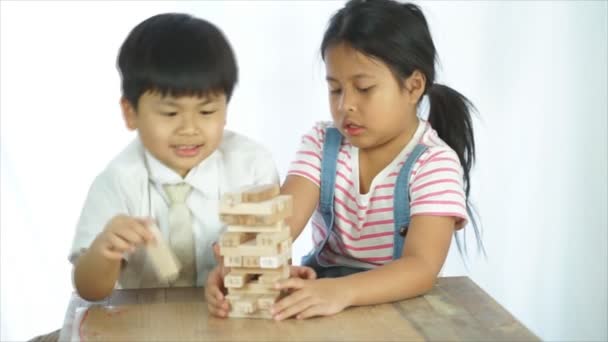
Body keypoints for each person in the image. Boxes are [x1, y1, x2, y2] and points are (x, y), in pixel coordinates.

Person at [206, 0, 482, 320]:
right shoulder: (322, 143)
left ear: (413, 86)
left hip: (397, 308)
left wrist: (342, 290)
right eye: (335, 89)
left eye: (363, 88)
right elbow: (282, 224)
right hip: (321, 294)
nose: (346, 104)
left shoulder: (434, 164)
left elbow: (420, 268)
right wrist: (242, 263)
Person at [68, 12, 280, 302]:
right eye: (170, 113)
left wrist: (245, 260)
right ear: (131, 113)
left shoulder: (252, 166)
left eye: (206, 112)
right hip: (143, 321)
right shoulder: (118, 180)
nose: (189, 129)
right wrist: (105, 250)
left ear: (226, 110)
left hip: (229, 314)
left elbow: (271, 259)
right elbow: (89, 289)